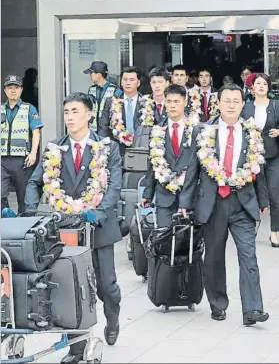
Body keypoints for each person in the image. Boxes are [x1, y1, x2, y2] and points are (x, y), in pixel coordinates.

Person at [24, 92, 122, 363]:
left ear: (89, 114)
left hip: (97, 227)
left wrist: (98, 213)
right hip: (65, 231)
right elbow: (35, 182)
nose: (69, 117)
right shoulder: (54, 148)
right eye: (66, 112)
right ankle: (75, 348)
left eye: (75, 111)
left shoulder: (107, 148)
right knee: (69, 287)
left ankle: (112, 318)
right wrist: (31, 212)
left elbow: (113, 186)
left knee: (106, 286)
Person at [182, 83, 269, 326]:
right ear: (218, 103)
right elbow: (193, 170)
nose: (231, 105)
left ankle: (252, 309)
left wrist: (263, 201)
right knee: (214, 258)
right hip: (214, 203)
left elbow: (259, 170)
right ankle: (218, 303)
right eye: (227, 100)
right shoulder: (204, 130)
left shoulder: (252, 132)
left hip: (243, 202)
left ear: (243, 104)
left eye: (236, 101)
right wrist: (185, 203)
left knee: (248, 256)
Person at [141, 84, 199, 227]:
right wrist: (148, 194)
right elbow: (152, 165)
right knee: (164, 239)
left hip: (190, 194)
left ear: (185, 102)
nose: (172, 106)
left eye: (176, 101)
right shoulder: (157, 131)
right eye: (169, 101)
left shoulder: (197, 130)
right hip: (164, 195)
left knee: (188, 243)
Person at [242, 73, 279, 247]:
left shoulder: (276, 105)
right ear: (252, 88)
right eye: (258, 84)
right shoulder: (246, 107)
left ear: (268, 87)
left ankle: (274, 232)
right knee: (252, 193)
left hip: (273, 155)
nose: (262, 86)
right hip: (252, 157)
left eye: (265, 84)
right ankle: (250, 228)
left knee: (274, 193)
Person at [1, 74, 43, 215]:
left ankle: (22, 227)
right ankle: (5, 220)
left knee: (23, 197)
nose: (13, 90)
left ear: (21, 89)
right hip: (2, 160)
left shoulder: (29, 109)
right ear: (5, 90)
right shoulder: (0, 109)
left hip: (22, 160)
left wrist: (33, 153)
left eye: (16, 87)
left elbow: (36, 133)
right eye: (10, 87)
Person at [100, 66, 155, 156]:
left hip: (142, 150)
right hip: (117, 150)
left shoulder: (147, 103)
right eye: (125, 80)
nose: (128, 83)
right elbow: (103, 127)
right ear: (121, 82)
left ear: (138, 83)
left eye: (132, 80)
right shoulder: (111, 102)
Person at [83, 61, 122, 132]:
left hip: (108, 131)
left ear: (98, 75)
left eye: (91, 73)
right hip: (93, 130)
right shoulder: (92, 89)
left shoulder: (115, 90)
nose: (90, 75)